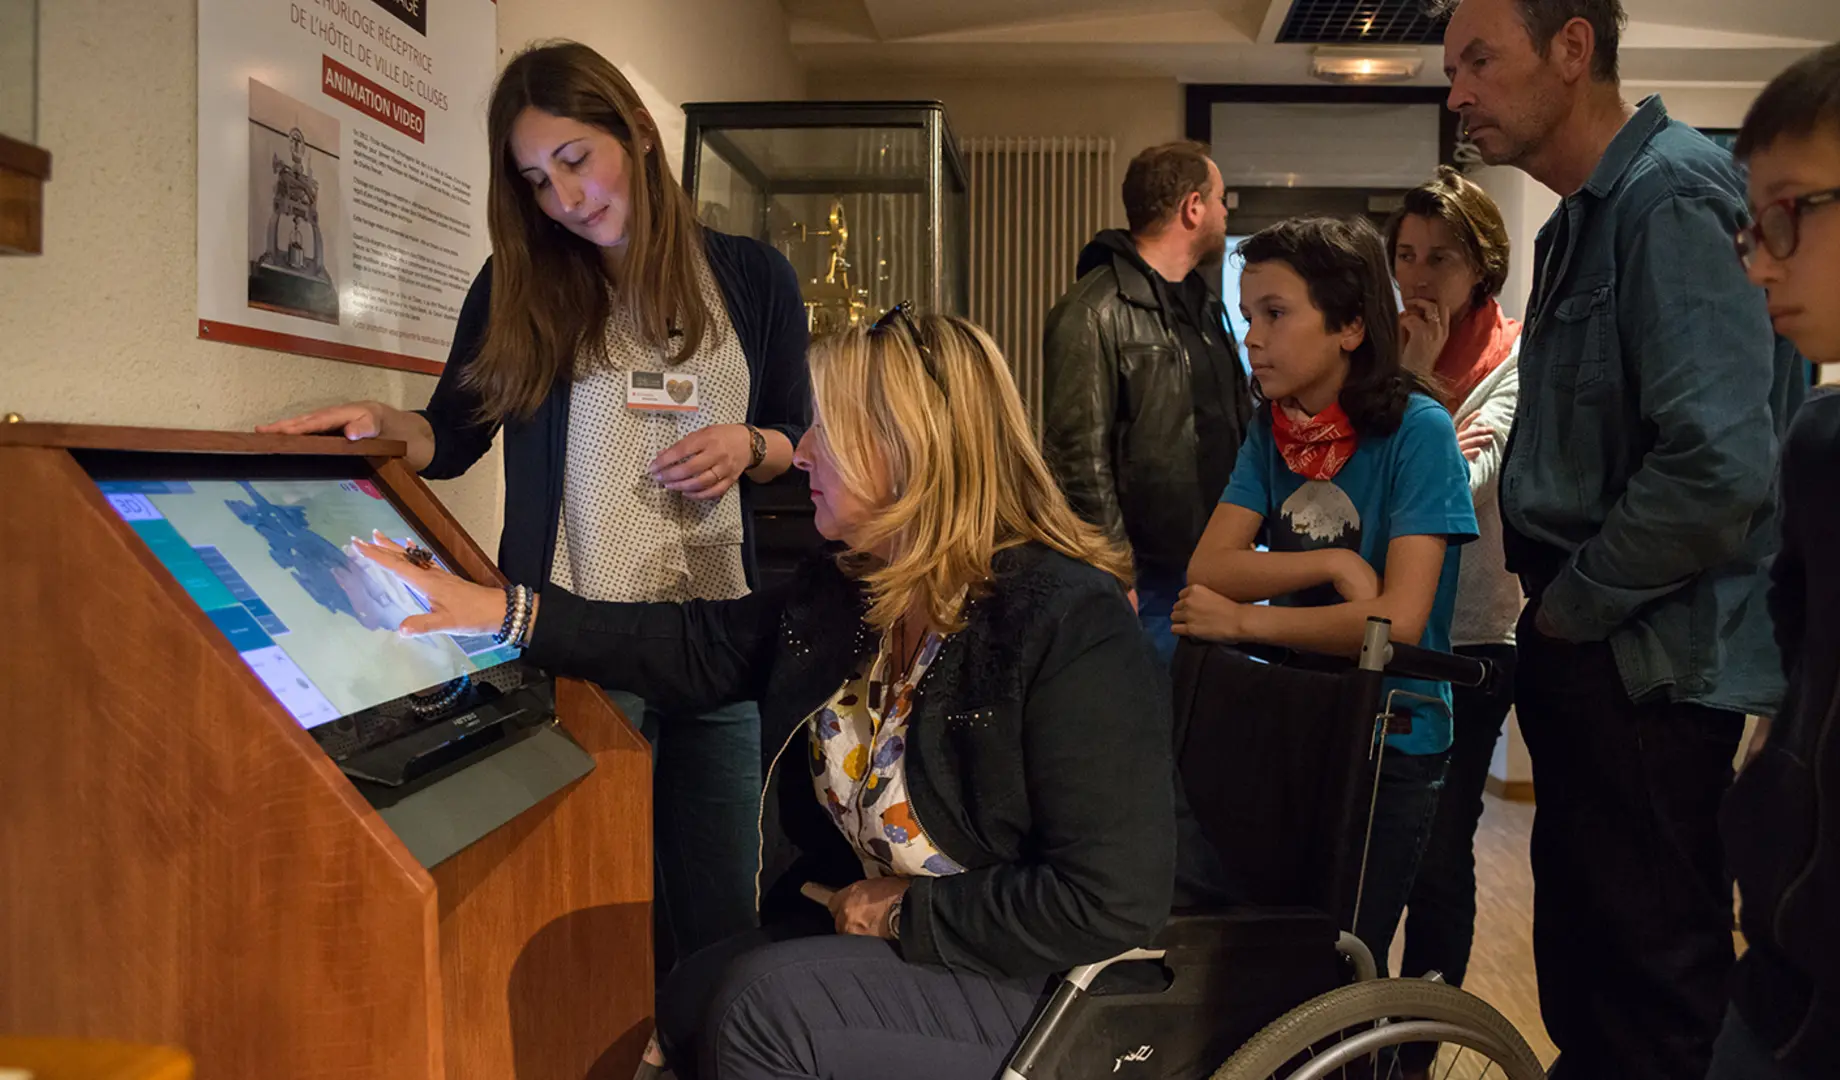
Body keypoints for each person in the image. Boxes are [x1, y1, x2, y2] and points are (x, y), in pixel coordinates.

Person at [351, 308, 1198, 1080]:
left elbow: (1109, 898)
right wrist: (505, 612)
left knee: (761, 1008)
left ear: (908, 447)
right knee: (690, 993)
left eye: (830, 429)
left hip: (1060, 989)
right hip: (938, 955)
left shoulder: (1061, 621)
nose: (807, 451)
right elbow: (693, 642)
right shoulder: (854, 590)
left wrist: (910, 915)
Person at [260, 41, 811, 971]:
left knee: (719, 924)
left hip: (716, 640)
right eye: (535, 180)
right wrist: (385, 423)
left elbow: (794, 436)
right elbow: (453, 434)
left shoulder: (755, 278)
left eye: (573, 161)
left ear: (635, 132)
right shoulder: (524, 283)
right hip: (582, 644)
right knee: (594, 913)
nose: (563, 199)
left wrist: (749, 444)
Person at [1439, 1, 1807, 1076]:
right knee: (1593, 977)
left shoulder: (1673, 196)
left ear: (1571, 47)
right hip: (1597, 649)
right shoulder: (1575, 224)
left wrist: (1574, 608)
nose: (1456, 91)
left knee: (1652, 993)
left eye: (1479, 60)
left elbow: (1718, 468)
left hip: (1643, 659)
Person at [1175, 216, 1479, 975]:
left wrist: (1246, 618)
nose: (1254, 337)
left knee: (1340, 965)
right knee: (1273, 955)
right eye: (1249, 316)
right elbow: (1210, 564)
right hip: (1297, 717)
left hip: (1391, 737)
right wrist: (1334, 571)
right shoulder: (1269, 429)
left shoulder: (1419, 431)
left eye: (1276, 314)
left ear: (1349, 325)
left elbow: (1397, 621)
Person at [1710, 22, 1840, 1079]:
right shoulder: (1827, 448)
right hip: (1784, 983)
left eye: (1792, 215)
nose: (1761, 262)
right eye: (1753, 228)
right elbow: (1805, 682)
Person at [1384, 169, 1526, 1004]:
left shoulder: (1515, 361)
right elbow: (1367, 487)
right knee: (1372, 840)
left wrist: (1417, 391)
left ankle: (1423, 1039)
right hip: (1385, 630)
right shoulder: (1387, 351)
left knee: (1440, 848)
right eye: (1405, 254)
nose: (1417, 275)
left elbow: (1452, 490)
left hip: (1473, 640)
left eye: (1440, 257)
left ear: (1482, 266)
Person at [1042, 141, 1253, 662]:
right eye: (1221, 199)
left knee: (1216, 727)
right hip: (1147, 580)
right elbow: (1076, 458)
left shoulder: (1205, 308)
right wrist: (1114, 575)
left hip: (1219, 567)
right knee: (1155, 731)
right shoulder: (1092, 310)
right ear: (1193, 207)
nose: (1227, 212)